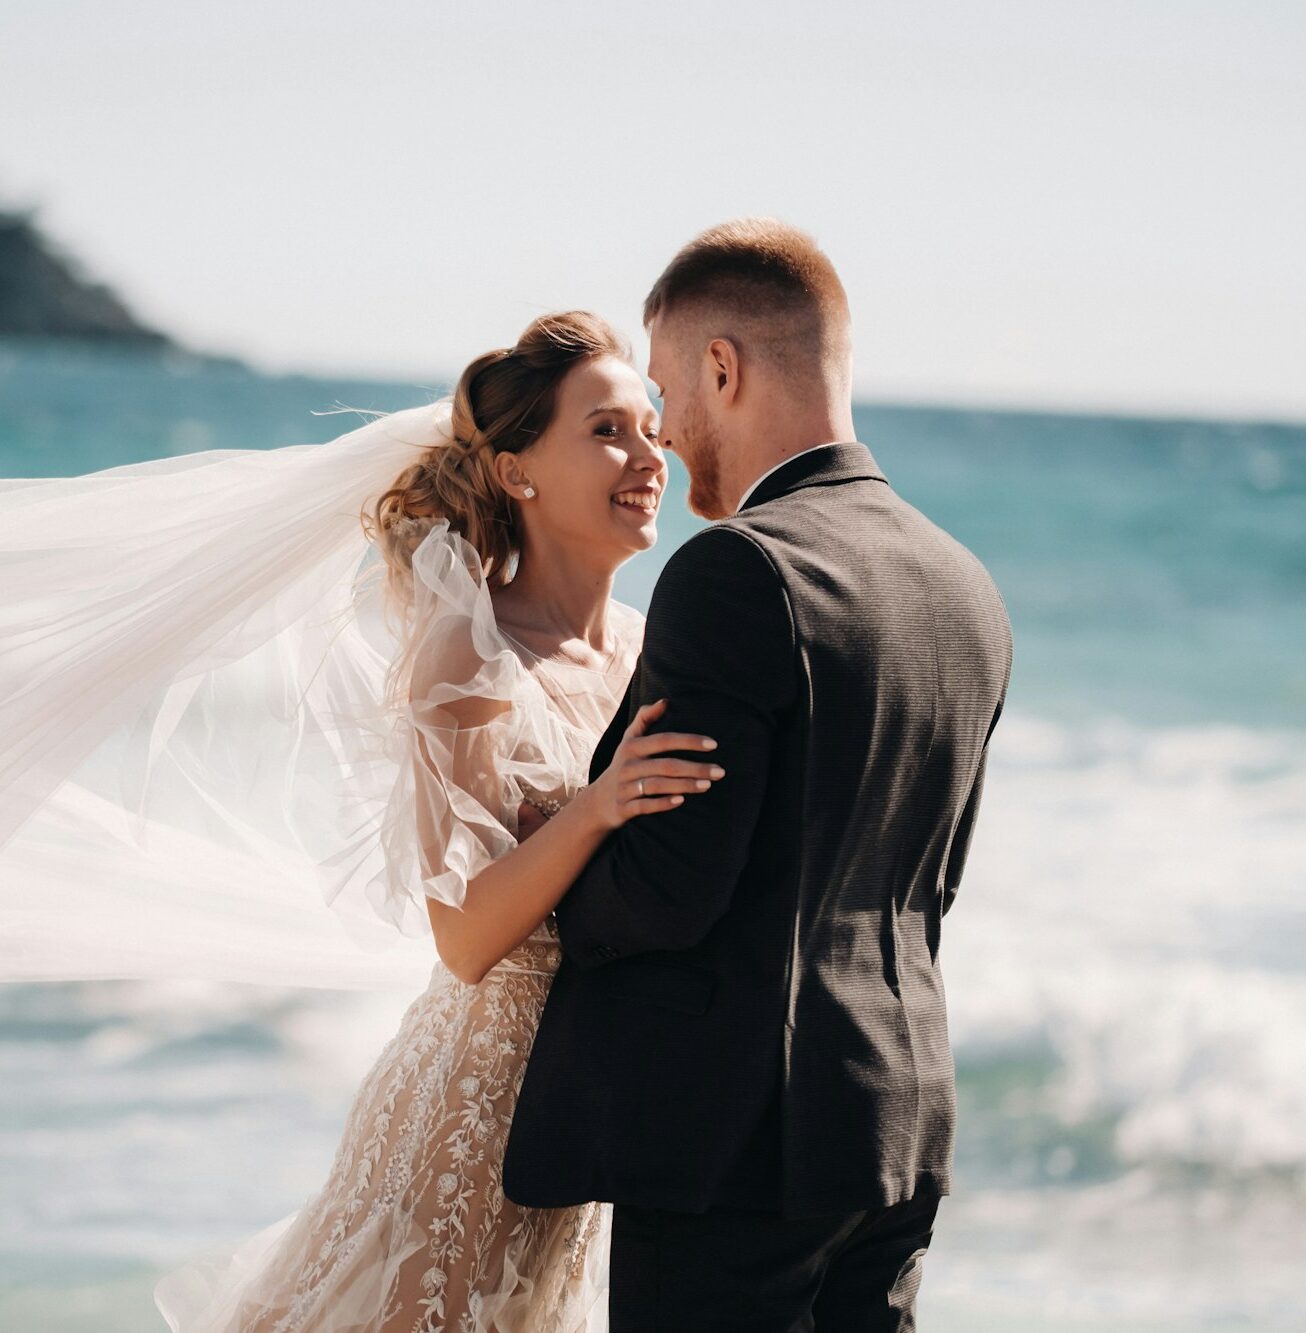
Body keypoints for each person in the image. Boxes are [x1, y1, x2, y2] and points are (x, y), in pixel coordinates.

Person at [0, 310, 724, 1330]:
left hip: (584, 1118)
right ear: (515, 471)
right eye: (607, 431)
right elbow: (463, 934)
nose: (648, 455)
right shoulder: (470, 652)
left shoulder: (649, 653)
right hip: (471, 1116)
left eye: (650, 427)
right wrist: (601, 805)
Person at [503, 220, 1015, 1331]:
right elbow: (931, 883)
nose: (663, 429)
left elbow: (668, 886)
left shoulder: (738, 570)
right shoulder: (965, 586)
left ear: (723, 368)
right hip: (895, 1125)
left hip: (732, 1145)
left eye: (666, 390)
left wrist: (544, 893)